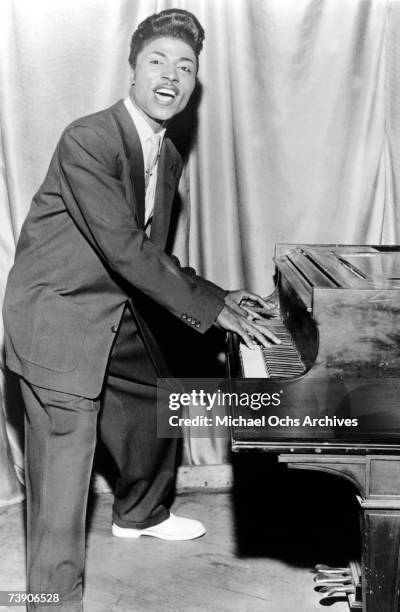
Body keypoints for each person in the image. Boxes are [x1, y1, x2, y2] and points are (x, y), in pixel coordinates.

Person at [2, 8, 279, 611]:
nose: (171, 75)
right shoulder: (89, 138)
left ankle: (141, 513)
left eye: (186, 67)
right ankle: (54, 599)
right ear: (132, 71)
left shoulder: (168, 155)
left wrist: (220, 296)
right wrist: (212, 312)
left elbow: (153, 257)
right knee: (63, 473)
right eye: (158, 61)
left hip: (115, 313)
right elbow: (124, 251)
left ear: (193, 83)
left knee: (164, 391)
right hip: (58, 317)